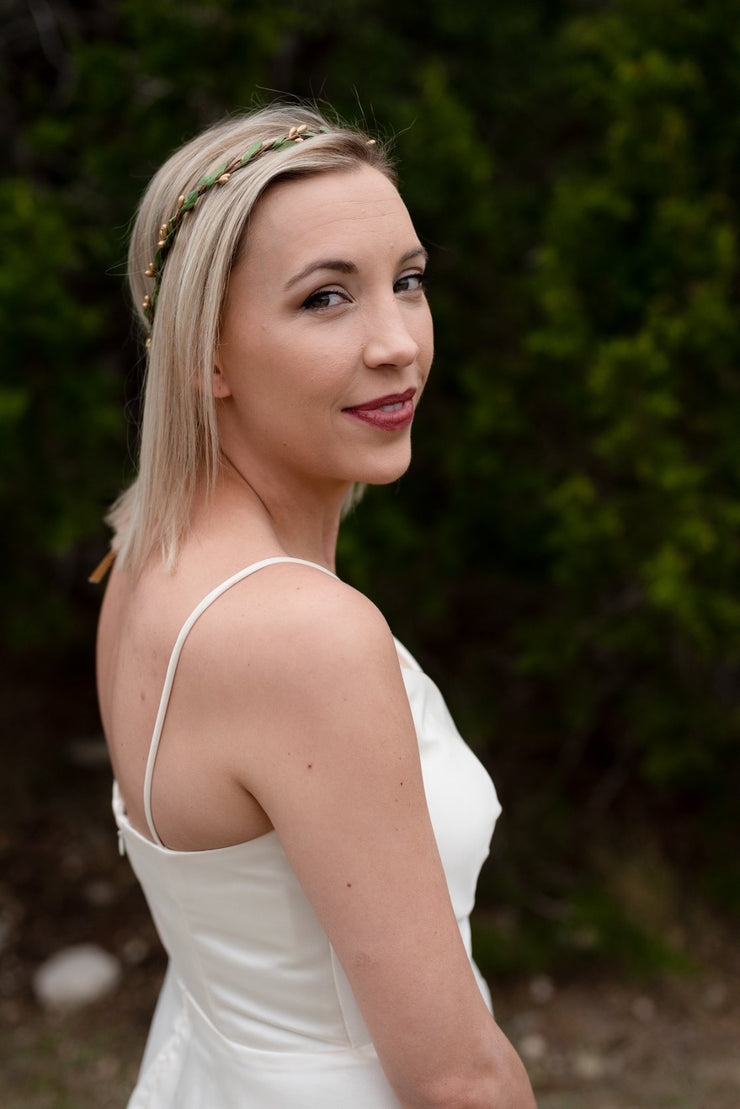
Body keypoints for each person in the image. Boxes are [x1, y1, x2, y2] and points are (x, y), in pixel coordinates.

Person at [94, 102, 536, 1109]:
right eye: (325, 298)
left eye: (406, 281)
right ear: (204, 352)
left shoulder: (140, 556)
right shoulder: (303, 637)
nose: (395, 343)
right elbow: (455, 1078)